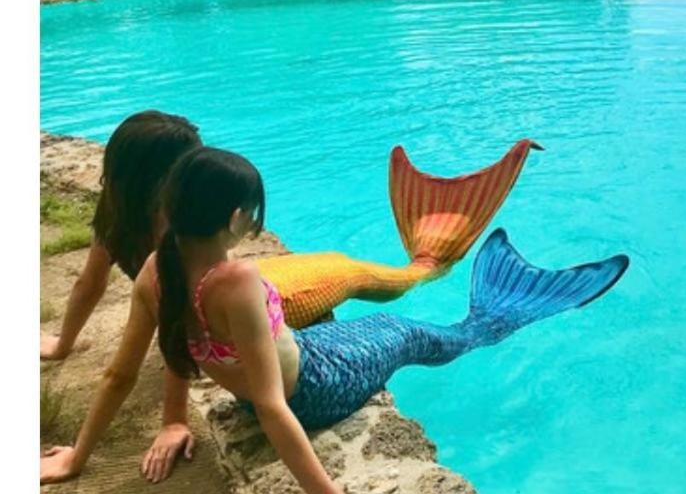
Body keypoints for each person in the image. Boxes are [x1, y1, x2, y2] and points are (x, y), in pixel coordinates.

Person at [40, 146, 628, 494]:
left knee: (347, 324)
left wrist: (77, 458)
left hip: (302, 358)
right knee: (418, 333)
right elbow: (272, 405)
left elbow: (121, 373)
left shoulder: (157, 271)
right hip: (318, 388)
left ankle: (492, 306)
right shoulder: (237, 283)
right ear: (238, 219)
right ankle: (500, 315)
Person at [42, 110, 540, 360]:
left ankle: (431, 262)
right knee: (372, 280)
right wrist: (175, 420)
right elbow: (175, 325)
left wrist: (64, 343)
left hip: (251, 291)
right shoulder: (170, 234)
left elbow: (95, 284)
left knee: (362, 269)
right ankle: (453, 280)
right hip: (264, 298)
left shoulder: (121, 216)